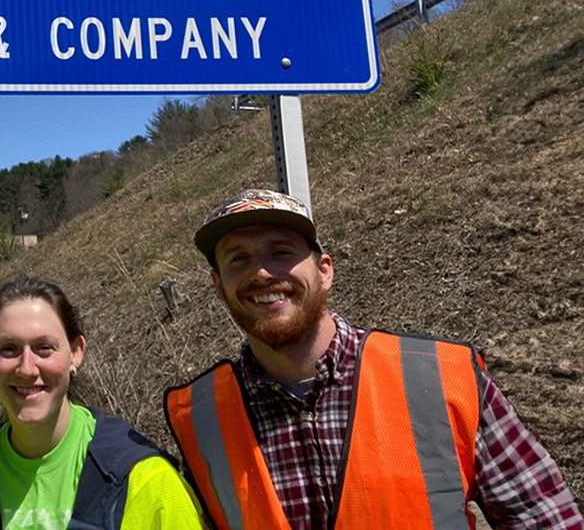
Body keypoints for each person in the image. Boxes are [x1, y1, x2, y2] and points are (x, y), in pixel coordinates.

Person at [165, 188, 582, 530]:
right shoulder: (199, 418)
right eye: (238, 258)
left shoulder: (441, 377)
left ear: (325, 271)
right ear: (218, 287)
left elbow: (545, 519)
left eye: (281, 252)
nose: (261, 273)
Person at [0, 277, 209, 530]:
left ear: (76, 352)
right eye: (9, 349)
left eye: (44, 347)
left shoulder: (143, 479)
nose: (26, 368)